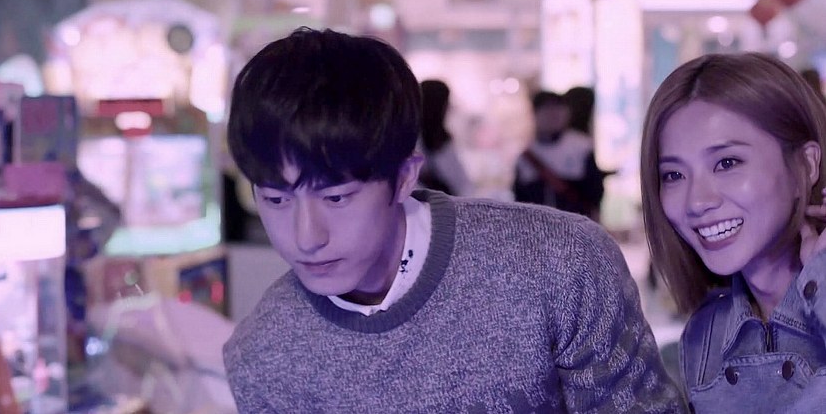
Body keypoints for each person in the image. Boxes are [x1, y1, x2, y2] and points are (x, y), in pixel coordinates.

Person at [222, 27, 684, 412]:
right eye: (275, 199)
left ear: (404, 178)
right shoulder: (264, 354)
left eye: (336, 197)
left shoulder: (559, 263)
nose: (306, 237)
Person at [640, 52, 826, 413]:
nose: (697, 201)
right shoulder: (705, 335)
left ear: (806, 165)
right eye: (674, 175)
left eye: (727, 163)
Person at [514, 90, 606, 221]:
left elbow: (594, 192)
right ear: (535, 114)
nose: (553, 116)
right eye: (547, 111)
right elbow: (520, 200)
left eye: (558, 110)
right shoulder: (525, 157)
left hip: (576, 224)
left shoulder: (581, 148)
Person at [417, 79, 475, 196]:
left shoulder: (443, 140)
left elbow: (462, 183)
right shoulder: (412, 139)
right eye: (446, 103)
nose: (449, 108)